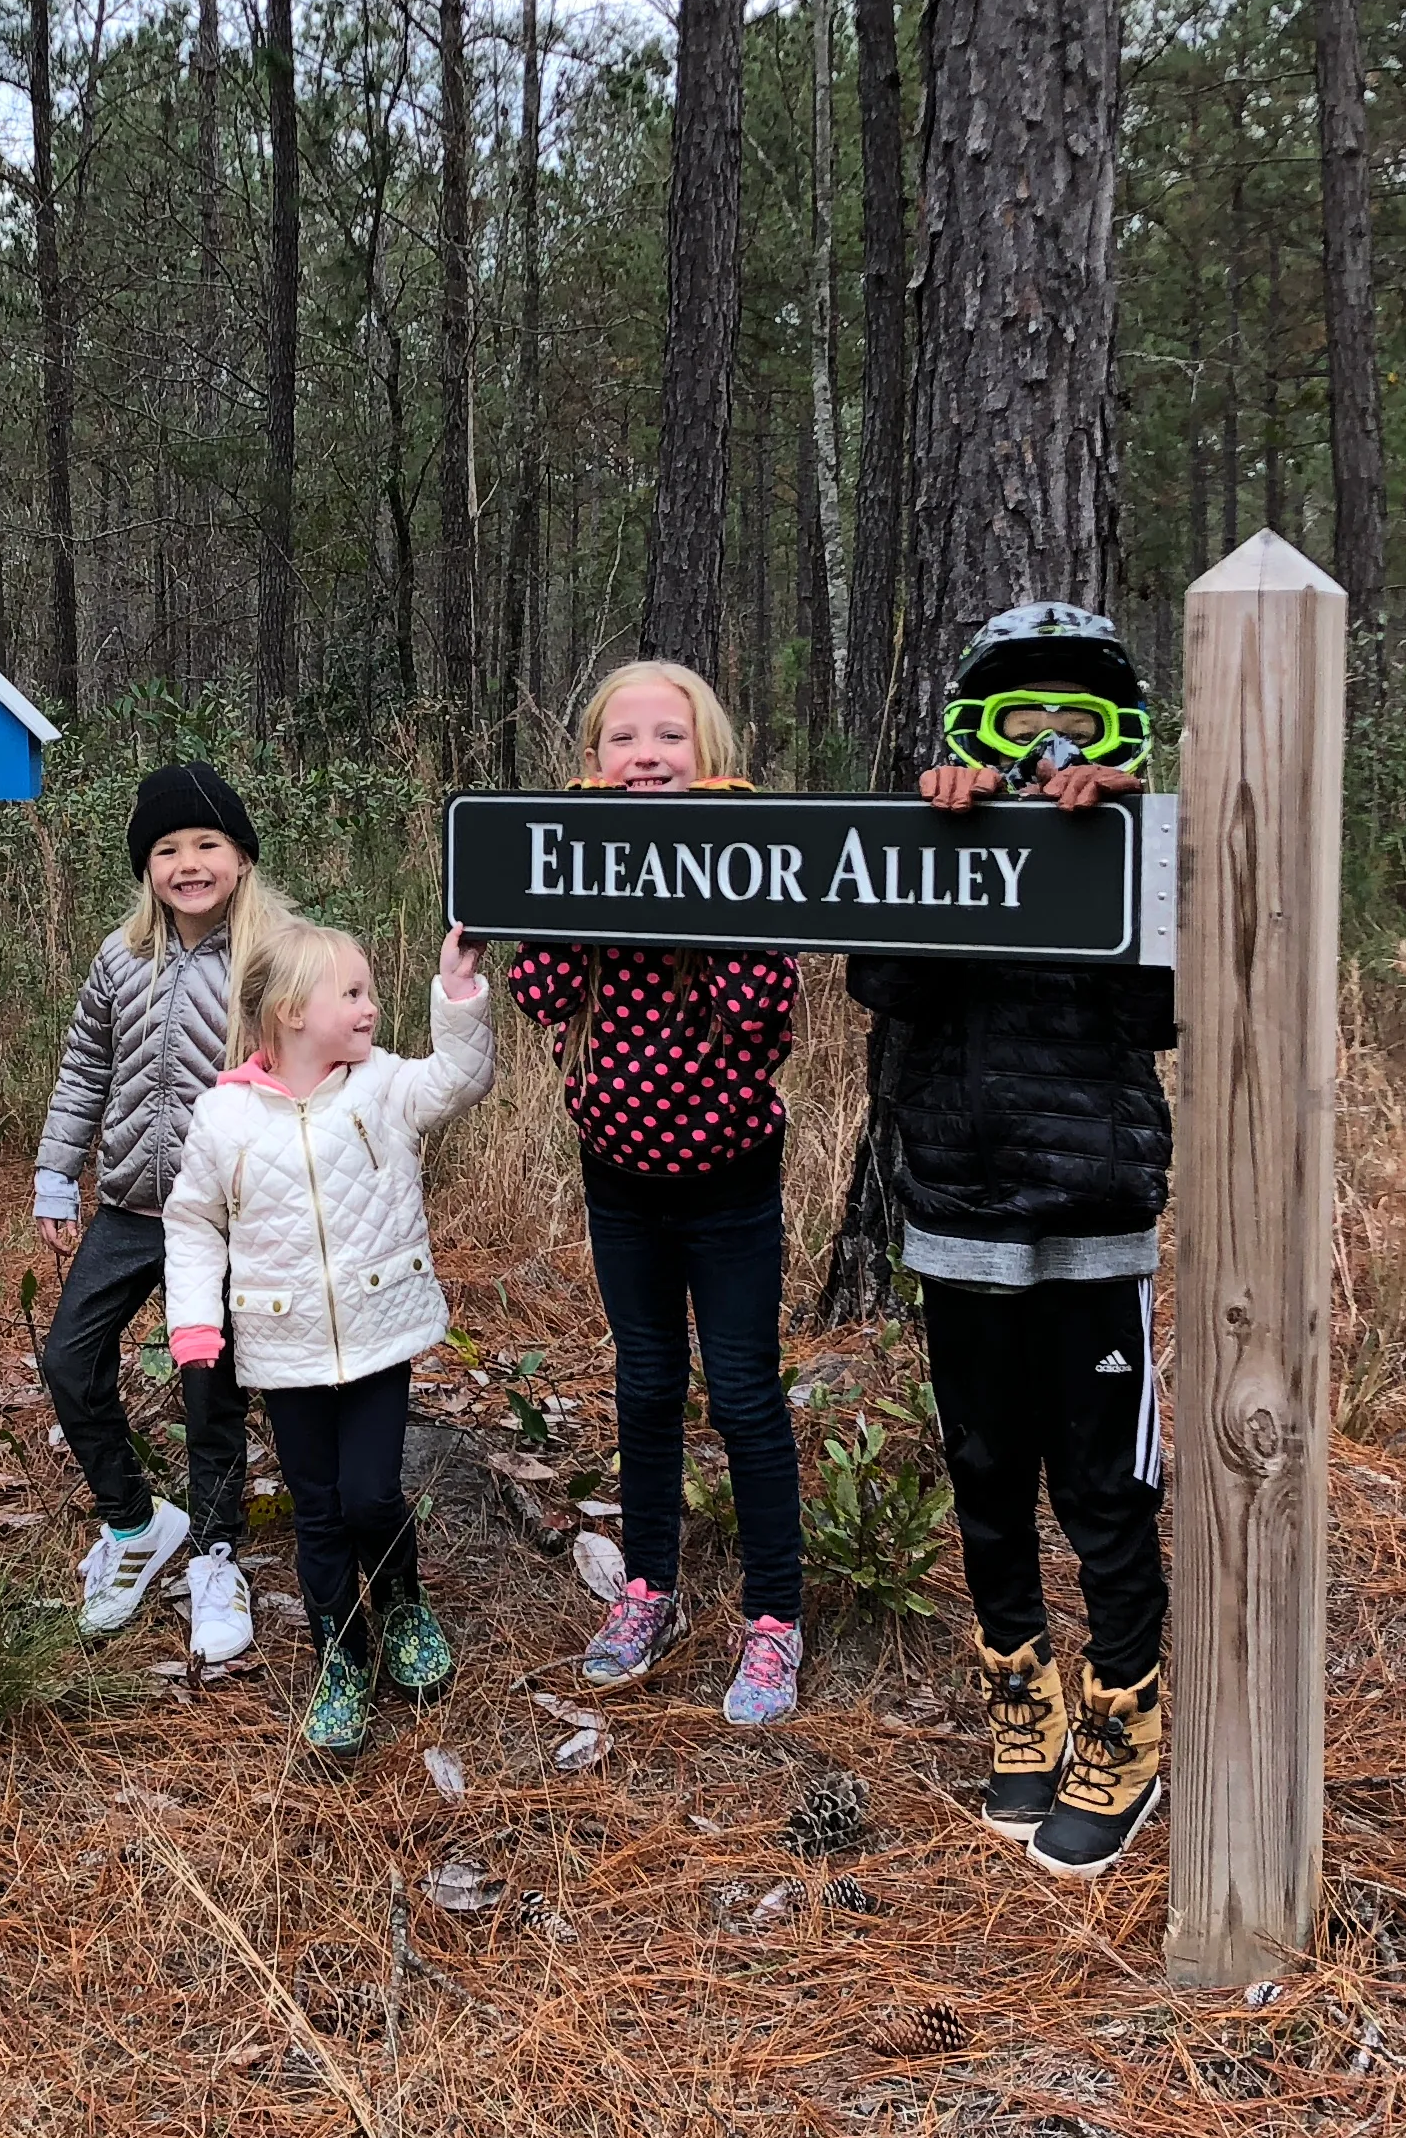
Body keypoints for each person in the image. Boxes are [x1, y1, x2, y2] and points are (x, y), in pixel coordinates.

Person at [847, 601, 1175, 1878]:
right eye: (1020, 718)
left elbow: (1161, 1012)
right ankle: (1019, 1699)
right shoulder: (933, 835)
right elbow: (884, 988)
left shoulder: (1145, 846)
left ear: (1116, 729)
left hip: (1092, 1223)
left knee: (1105, 1490)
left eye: (1074, 720)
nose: (1047, 743)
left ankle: (1127, 1715)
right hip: (961, 1217)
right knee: (985, 1478)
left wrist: (1123, 841)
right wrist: (947, 842)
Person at [502, 661, 812, 1727]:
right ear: (594, 764)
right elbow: (539, 987)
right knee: (644, 1384)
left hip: (731, 1182)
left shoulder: (753, 865)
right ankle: (649, 1587)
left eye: (669, 738)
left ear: (708, 755)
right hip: (619, 1178)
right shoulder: (572, 861)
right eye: (623, 741)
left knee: (745, 1395)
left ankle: (775, 1614)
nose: (646, 756)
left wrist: (696, 876)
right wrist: (590, 874)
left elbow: (762, 1013)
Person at [161, 920, 495, 1758]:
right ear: (290, 1011)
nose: (369, 1007)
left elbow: (461, 1077)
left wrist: (458, 992)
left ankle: (402, 1602)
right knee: (316, 1510)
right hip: (285, 1350)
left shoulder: (383, 1087)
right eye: (350, 993)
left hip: (379, 1336)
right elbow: (194, 1222)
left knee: (370, 1495)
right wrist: (195, 1322)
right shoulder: (224, 1116)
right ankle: (338, 1653)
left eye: (368, 990)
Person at [32, 762, 287, 1667]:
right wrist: (56, 1174)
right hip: (131, 1204)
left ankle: (217, 1555)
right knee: (69, 1360)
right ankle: (136, 1522)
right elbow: (85, 1069)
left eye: (207, 844)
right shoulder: (121, 956)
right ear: (147, 867)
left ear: (242, 857)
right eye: (167, 849)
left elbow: (312, 1074)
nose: (188, 863)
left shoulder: (272, 957)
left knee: (210, 1386)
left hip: (223, 1217)